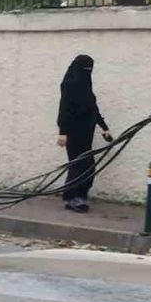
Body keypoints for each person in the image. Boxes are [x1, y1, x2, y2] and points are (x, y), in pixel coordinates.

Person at [56, 55, 112, 213]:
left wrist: (104, 128)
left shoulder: (86, 86)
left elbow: (93, 108)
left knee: (88, 166)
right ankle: (72, 197)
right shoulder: (69, 85)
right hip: (73, 132)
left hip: (86, 132)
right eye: (86, 69)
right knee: (77, 165)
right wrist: (62, 132)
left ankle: (81, 194)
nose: (88, 72)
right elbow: (64, 109)